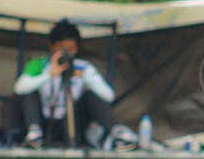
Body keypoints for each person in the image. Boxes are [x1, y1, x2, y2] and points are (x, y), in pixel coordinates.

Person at [13, 19, 131, 149]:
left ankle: (118, 133)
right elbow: (19, 89)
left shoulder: (84, 67)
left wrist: (86, 78)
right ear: (52, 47)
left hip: (73, 121)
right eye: (61, 48)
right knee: (29, 92)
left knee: (90, 95)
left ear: (76, 49)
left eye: (70, 49)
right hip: (45, 120)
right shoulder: (39, 65)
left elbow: (109, 96)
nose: (66, 53)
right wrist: (49, 75)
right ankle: (34, 134)